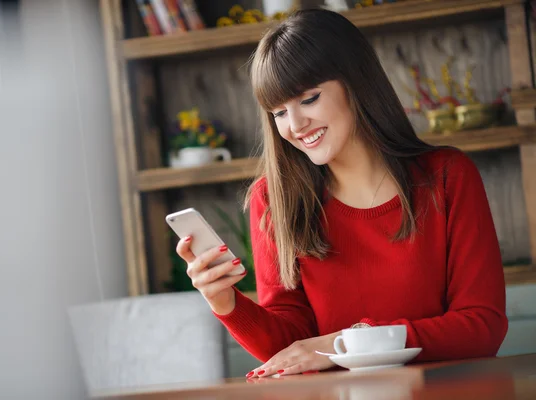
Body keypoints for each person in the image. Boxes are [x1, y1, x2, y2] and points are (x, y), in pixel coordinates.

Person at [175, 8, 508, 378]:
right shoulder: (273, 201)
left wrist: (344, 344)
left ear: (356, 82)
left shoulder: (447, 176)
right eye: (278, 112)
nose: (296, 126)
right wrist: (225, 303)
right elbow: (290, 348)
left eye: (309, 98)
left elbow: (482, 327)